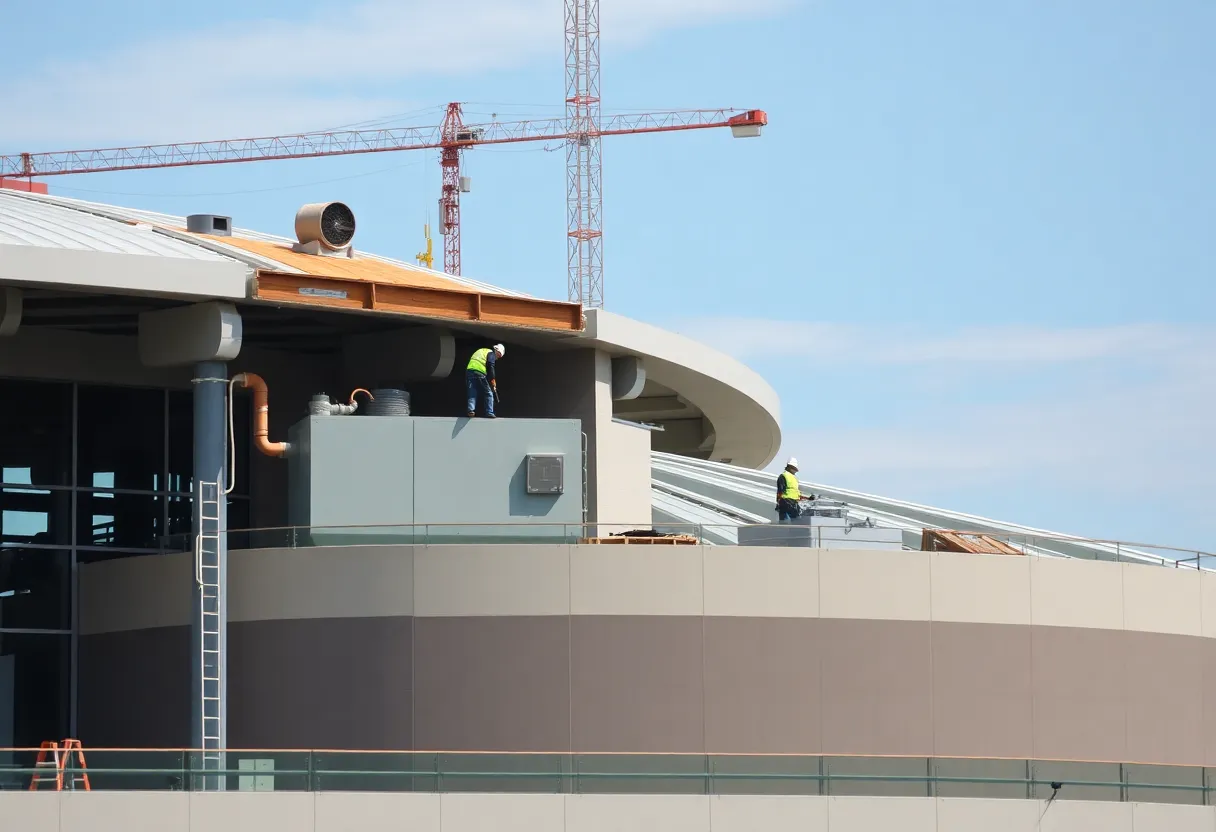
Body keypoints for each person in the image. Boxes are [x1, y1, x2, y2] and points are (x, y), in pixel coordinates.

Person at [466, 343, 505, 418]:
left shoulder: (483, 351)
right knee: (488, 393)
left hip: (470, 371)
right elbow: (491, 366)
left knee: (472, 391)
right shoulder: (491, 353)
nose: (497, 358)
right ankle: (489, 412)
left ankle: (471, 410)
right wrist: (493, 379)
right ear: (496, 350)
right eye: (499, 355)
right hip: (479, 371)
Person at [776, 457, 804, 522]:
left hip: (791, 503)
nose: (795, 471)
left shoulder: (794, 478)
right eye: (794, 468)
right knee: (790, 523)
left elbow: (796, 492)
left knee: (790, 523)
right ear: (789, 467)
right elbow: (780, 491)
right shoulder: (784, 476)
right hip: (786, 502)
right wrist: (778, 502)